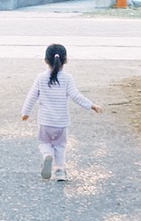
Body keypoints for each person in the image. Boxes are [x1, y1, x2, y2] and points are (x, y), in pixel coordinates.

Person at [21, 43, 102, 182]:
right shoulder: (67, 78)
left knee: (44, 143)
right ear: (65, 60)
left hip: (45, 122)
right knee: (60, 146)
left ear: (46, 60)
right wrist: (91, 105)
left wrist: (25, 113)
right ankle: (60, 171)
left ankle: (47, 155)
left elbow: (32, 95)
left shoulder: (41, 78)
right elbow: (76, 95)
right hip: (61, 123)